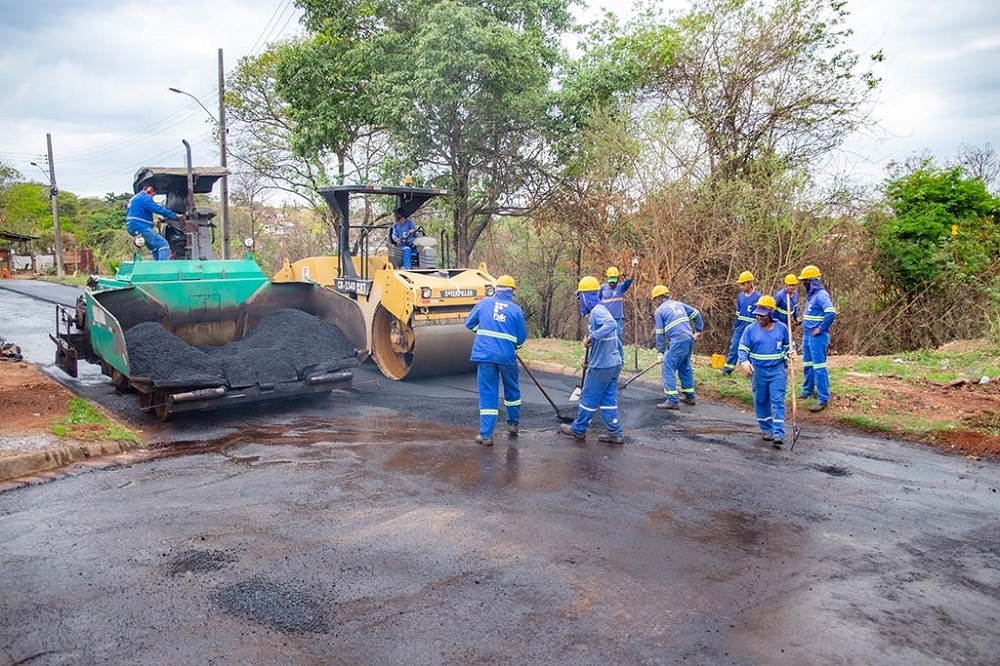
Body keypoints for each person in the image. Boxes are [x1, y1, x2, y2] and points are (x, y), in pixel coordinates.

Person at [559, 276, 625, 445]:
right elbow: (610, 339)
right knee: (608, 400)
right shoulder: (601, 310)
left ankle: (579, 429)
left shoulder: (598, 311)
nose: (579, 301)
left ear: (586, 296)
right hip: (613, 364)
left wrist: (593, 336)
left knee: (588, 396)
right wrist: (590, 359)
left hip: (602, 366)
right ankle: (615, 433)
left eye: (580, 297)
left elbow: (611, 325)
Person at [464, 274, 527, 446]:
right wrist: (511, 344)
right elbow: (521, 339)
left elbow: (469, 323)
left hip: (484, 355)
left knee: (488, 392)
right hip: (506, 356)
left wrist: (484, 333)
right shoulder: (515, 310)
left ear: (496, 289)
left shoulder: (484, 303)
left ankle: (486, 436)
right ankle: (513, 424)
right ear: (511, 291)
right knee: (512, 389)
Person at [737, 295, 791, 447]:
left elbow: (788, 346)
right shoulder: (750, 330)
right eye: (757, 313)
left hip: (777, 370)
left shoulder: (782, 328)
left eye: (762, 314)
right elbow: (742, 348)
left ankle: (778, 433)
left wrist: (791, 353)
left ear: (771, 314)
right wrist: (744, 361)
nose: (758, 316)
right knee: (761, 400)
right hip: (758, 371)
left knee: (778, 401)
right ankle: (767, 429)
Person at [650, 284, 704, 409]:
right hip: (689, 338)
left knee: (667, 367)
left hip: (678, 340)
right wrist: (699, 330)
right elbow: (696, 313)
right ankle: (690, 396)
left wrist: (660, 352)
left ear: (658, 298)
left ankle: (672, 400)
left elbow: (660, 333)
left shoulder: (659, 311)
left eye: (655, 300)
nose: (655, 303)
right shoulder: (678, 304)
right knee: (684, 366)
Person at [798, 264, 837, 412]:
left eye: (805, 281)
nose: (803, 284)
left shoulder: (821, 295)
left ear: (812, 281)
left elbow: (831, 313)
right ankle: (807, 391)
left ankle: (823, 398)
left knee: (819, 366)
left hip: (817, 337)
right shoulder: (811, 296)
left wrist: (821, 328)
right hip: (807, 335)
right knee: (808, 364)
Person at [126, 182, 183, 261]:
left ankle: (156, 266)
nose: (152, 198)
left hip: (132, 226)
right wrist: (175, 215)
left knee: (155, 248)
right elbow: (158, 209)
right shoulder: (144, 198)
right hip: (140, 226)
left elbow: (138, 214)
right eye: (153, 195)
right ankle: (163, 268)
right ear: (149, 190)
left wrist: (152, 222)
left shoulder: (134, 199)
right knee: (163, 244)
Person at [721, 271, 761, 375]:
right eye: (741, 284)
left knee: (752, 350)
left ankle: (751, 371)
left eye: (743, 284)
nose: (741, 286)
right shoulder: (740, 296)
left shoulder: (758, 297)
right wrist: (736, 325)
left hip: (752, 328)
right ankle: (727, 370)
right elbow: (738, 313)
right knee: (734, 348)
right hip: (740, 327)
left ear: (749, 283)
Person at [598, 260, 636, 359]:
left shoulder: (621, 288)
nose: (612, 283)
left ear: (617, 279)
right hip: (605, 319)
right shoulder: (602, 288)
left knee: (617, 339)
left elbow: (630, 279)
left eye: (614, 281)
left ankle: (620, 360)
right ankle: (605, 358)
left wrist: (633, 266)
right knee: (604, 339)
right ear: (607, 279)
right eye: (610, 281)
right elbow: (597, 302)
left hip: (617, 319)